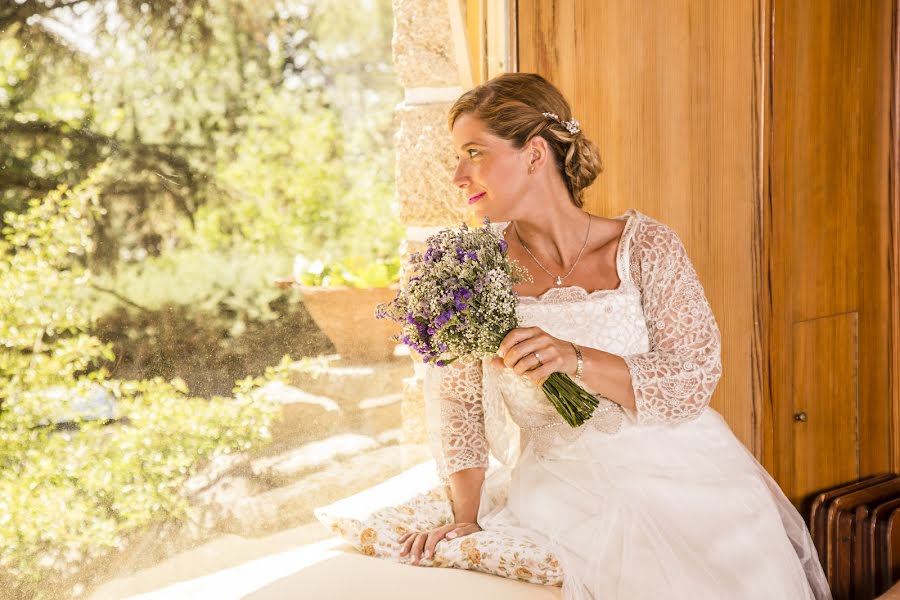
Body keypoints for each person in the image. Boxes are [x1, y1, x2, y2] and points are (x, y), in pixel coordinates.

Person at [395, 72, 831, 599]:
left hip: (689, 472)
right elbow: (459, 409)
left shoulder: (646, 247)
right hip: (562, 486)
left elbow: (693, 378)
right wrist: (467, 517)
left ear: (535, 154)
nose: (458, 174)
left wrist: (574, 358)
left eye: (473, 152)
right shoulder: (469, 271)